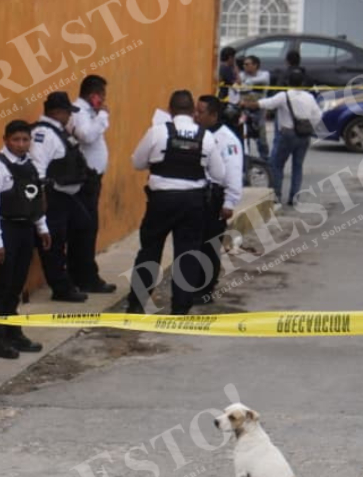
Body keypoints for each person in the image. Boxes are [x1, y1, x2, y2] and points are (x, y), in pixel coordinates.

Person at [126, 90, 227, 316]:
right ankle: (180, 308)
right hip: (193, 202)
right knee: (188, 253)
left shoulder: (157, 132)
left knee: (150, 251)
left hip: (161, 201)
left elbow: (137, 162)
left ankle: (136, 304)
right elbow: (219, 174)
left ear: (170, 110)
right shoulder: (206, 136)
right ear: (193, 111)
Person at [0, 120, 52, 360]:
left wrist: (42, 228)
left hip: (24, 230)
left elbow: (34, 201)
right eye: (16, 140)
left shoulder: (30, 166)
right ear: (5, 140)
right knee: (2, 285)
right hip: (5, 230)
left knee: (17, 284)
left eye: (25, 140)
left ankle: (13, 333)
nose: (21, 145)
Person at [29, 91, 93, 303]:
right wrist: (42, 198)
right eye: (68, 113)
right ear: (58, 112)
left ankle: (74, 277)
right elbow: (38, 168)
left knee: (83, 226)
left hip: (66, 196)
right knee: (53, 244)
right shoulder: (43, 135)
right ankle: (61, 287)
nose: (70, 117)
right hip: (53, 196)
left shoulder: (57, 131)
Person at [244, 68, 322, 206]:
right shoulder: (309, 97)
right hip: (304, 136)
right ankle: (294, 197)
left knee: (276, 165)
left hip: (286, 134)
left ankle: (276, 196)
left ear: (287, 82)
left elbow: (264, 104)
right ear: (303, 83)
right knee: (297, 167)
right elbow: (317, 116)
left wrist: (245, 104)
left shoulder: (283, 96)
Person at [193, 95, 243, 306]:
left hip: (215, 197)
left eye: (201, 112)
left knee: (209, 246)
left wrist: (229, 202)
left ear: (213, 115)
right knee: (196, 243)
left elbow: (232, 172)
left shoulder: (226, 140)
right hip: (197, 195)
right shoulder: (198, 134)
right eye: (195, 110)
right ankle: (193, 284)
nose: (196, 115)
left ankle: (205, 289)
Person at [70, 75, 116, 294]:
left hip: (92, 179)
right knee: (85, 230)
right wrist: (103, 115)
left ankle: (82, 274)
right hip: (84, 180)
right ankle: (86, 277)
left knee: (87, 229)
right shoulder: (78, 112)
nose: (105, 100)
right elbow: (86, 136)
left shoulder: (90, 113)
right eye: (103, 96)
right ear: (94, 96)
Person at [239, 55, 271, 158]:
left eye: (247, 64)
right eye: (244, 64)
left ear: (255, 65)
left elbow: (259, 80)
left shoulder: (264, 75)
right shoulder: (242, 75)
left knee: (261, 139)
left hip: (259, 111)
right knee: (244, 137)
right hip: (245, 111)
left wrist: (246, 83)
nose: (245, 66)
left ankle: (264, 160)